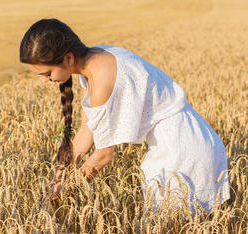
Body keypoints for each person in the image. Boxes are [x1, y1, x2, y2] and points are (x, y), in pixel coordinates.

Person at [19, 18, 231, 214]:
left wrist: (66, 191)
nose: (44, 80)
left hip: (183, 153)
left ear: (68, 58)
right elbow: (86, 131)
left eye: (47, 74)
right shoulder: (97, 58)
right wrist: (59, 177)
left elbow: (104, 156)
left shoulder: (103, 78)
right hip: (190, 139)